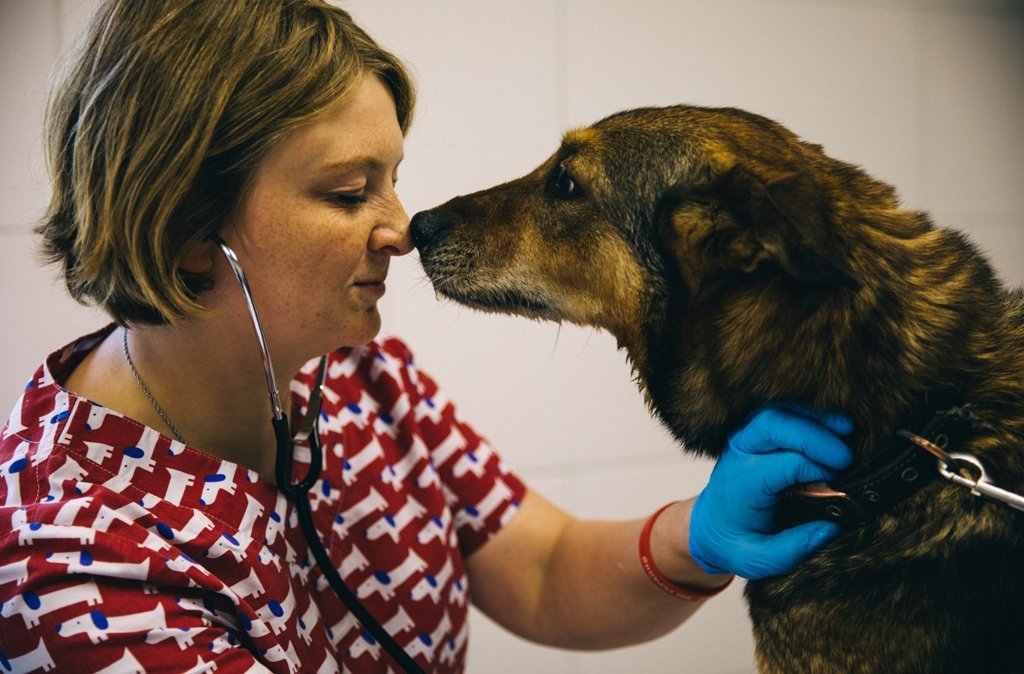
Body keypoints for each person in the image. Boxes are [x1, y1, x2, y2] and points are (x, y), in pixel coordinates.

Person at [0, 2, 853, 672]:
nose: (403, 231)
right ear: (186, 226)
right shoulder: (77, 570)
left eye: (393, 181)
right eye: (347, 193)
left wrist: (695, 535)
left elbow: (545, 569)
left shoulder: (361, 379)